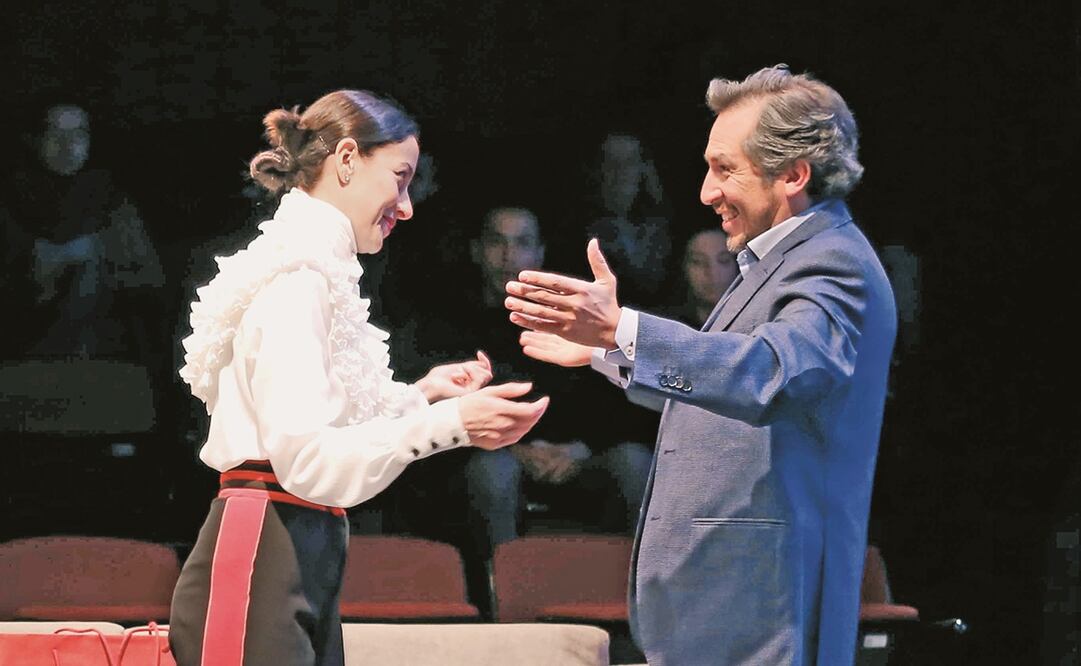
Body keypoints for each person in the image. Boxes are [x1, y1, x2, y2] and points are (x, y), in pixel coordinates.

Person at [505, 65, 897, 664]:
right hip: (725, 606)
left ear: (794, 174)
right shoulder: (778, 261)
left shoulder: (831, 262)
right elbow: (727, 398)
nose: (706, 193)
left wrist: (626, 327)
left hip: (764, 607)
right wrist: (608, 352)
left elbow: (771, 374)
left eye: (725, 170)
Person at [168, 90, 548, 666]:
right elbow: (310, 462)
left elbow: (327, 428)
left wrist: (423, 398)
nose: (408, 204)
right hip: (263, 555)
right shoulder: (297, 281)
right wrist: (450, 423)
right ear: (347, 161)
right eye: (400, 178)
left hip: (296, 553)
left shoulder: (315, 274)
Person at [386, 206, 654, 602]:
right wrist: (514, 447)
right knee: (493, 471)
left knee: (633, 462)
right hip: (493, 460)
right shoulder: (445, 323)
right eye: (497, 242)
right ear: (477, 250)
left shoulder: (570, 317)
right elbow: (437, 409)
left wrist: (582, 448)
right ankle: (503, 608)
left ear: (540, 253)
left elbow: (612, 402)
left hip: (575, 460)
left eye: (522, 243)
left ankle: (636, 609)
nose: (509, 255)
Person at [660, 227, 740, 328]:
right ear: (683, 266)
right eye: (699, 261)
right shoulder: (666, 326)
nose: (712, 272)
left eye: (724, 260)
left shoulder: (756, 323)